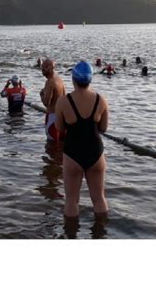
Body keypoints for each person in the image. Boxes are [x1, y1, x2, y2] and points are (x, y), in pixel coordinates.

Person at [54, 61, 109, 219]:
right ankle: (101, 233)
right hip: (95, 152)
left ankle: (70, 234)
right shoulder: (101, 100)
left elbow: (59, 128)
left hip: (72, 153)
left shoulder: (63, 101)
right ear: (90, 79)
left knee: (71, 201)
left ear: (73, 79)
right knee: (99, 198)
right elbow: (103, 128)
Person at [40, 59, 66, 142]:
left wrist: (41, 94)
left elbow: (46, 103)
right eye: (42, 67)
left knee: (51, 146)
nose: (42, 69)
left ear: (51, 68)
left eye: (44, 68)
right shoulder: (59, 79)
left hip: (52, 118)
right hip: (62, 117)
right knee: (62, 145)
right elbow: (65, 98)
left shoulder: (50, 82)